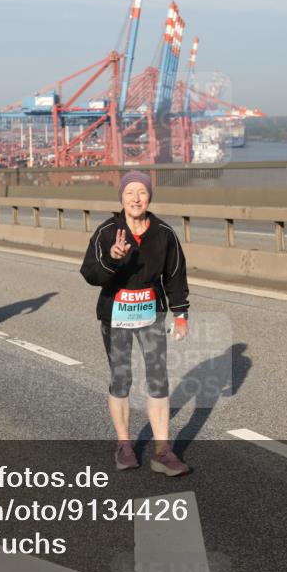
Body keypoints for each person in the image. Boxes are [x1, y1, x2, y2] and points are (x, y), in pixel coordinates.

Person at [80, 170, 191, 476]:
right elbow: (89, 273)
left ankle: (162, 451)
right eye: (130, 192)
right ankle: (125, 445)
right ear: (122, 198)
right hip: (115, 314)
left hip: (151, 313)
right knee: (121, 378)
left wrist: (180, 313)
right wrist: (113, 258)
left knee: (158, 379)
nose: (136, 198)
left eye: (142, 192)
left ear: (149, 197)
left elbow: (176, 275)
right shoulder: (107, 231)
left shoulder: (164, 233)